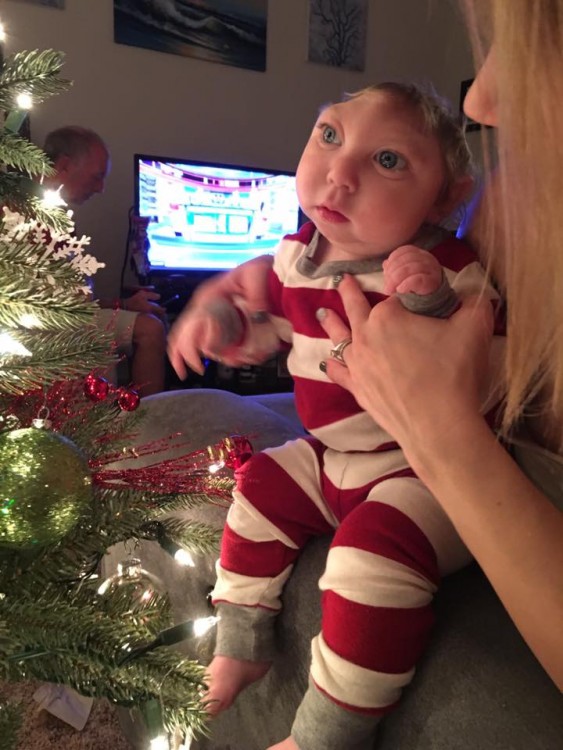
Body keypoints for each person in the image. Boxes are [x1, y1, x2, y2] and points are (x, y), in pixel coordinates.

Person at [169, 82, 506, 750]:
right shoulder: (298, 257)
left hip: (420, 470)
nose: (338, 173)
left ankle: (326, 732)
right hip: (329, 457)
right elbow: (255, 307)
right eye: (329, 135)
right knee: (258, 487)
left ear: (445, 197)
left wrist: (427, 299)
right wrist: (216, 312)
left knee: (364, 559)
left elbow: (477, 342)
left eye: (388, 161)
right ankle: (241, 642)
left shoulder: (441, 264)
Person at [41, 126, 167, 397]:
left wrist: (124, 304)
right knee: (98, 336)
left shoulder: (58, 213)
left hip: (76, 315)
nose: (101, 188)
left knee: (151, 326)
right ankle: (104, 422)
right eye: (97, 177)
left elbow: (77, 298)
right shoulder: (25, 215)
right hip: (47, 327)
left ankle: (150, 418)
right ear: (63, 165)